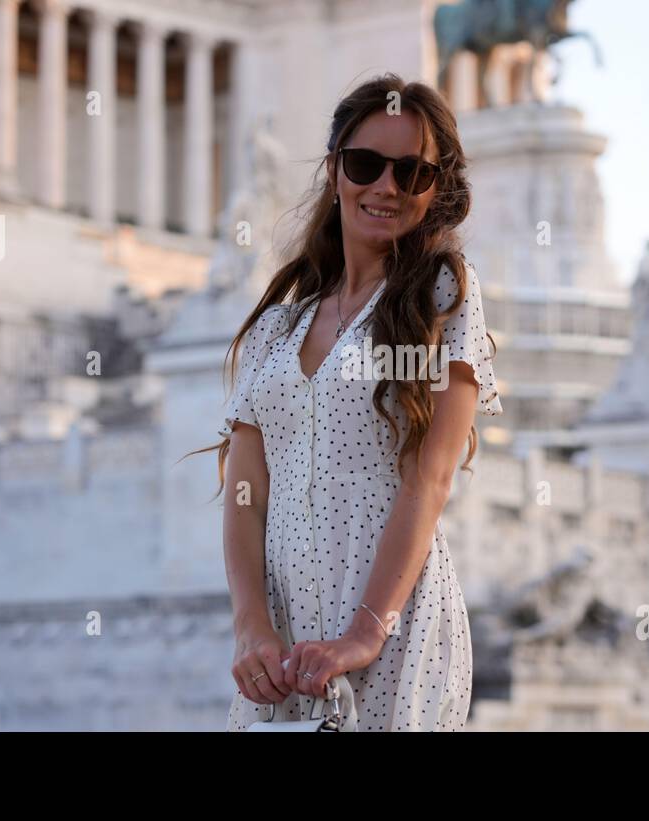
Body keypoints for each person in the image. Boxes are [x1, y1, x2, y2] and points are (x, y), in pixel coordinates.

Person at [193, 74, 502, 731]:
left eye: (412, 173)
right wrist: (251, 628)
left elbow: (431, 478)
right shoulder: (277, 328)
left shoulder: (444, 295)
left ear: (435, 190)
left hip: (395, 624)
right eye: (365, 164)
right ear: (335, 170)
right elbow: (246, 495)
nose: (385, 187)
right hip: (281, 642)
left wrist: (367, 630)